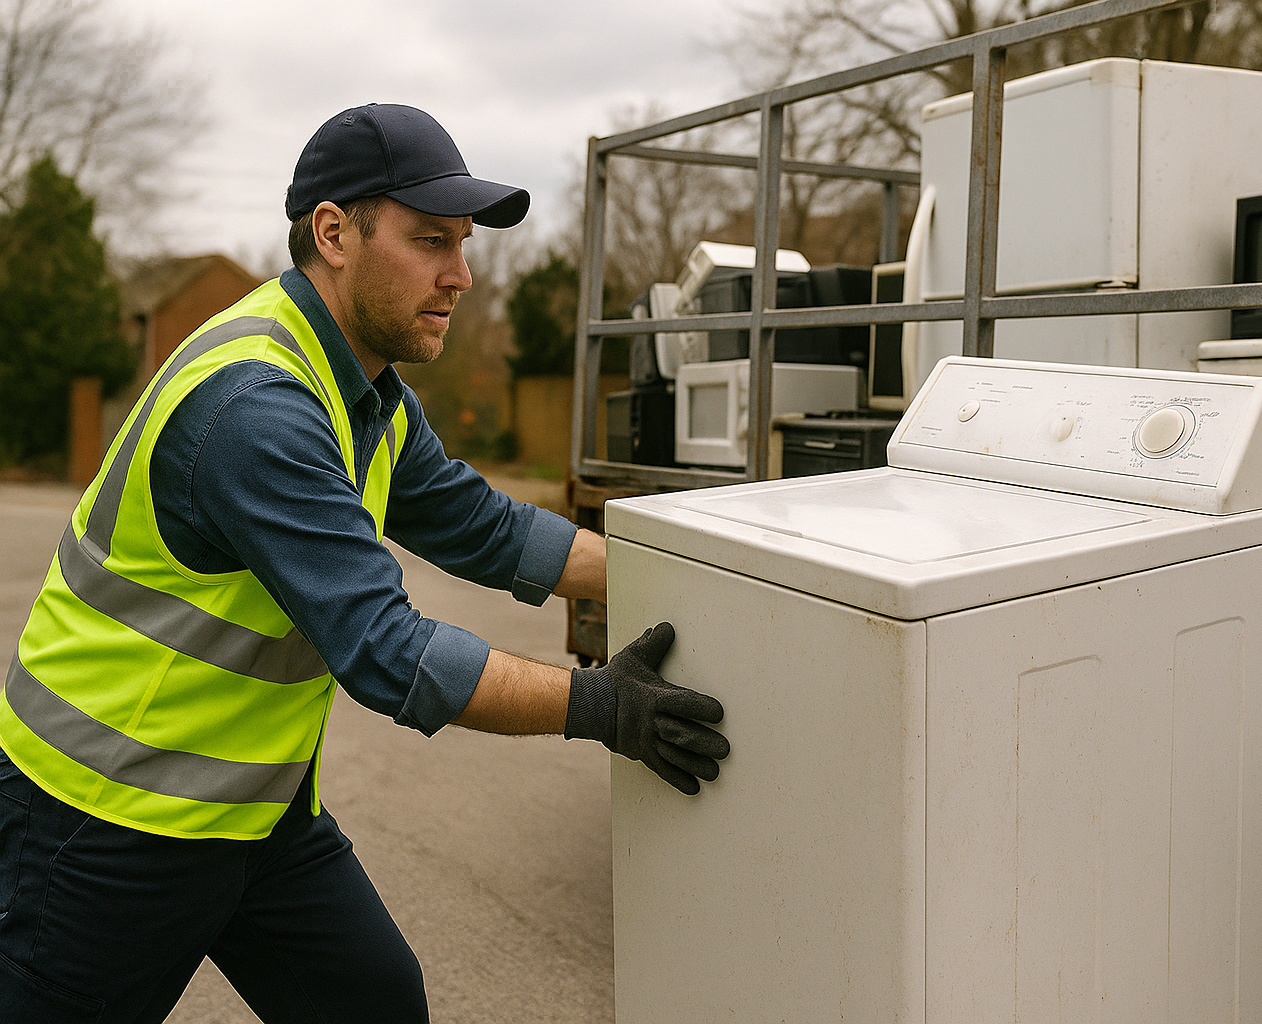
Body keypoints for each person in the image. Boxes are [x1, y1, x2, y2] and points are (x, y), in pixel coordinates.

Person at [0, 103, 729, 1023]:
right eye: (430, 242)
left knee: (376, 1003)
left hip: (254, 813)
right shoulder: (258, 406)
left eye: (463, 245)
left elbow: (483, 525)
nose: (461, 276)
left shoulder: (364, 385)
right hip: (104, 822)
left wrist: (695, 570)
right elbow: (390, 651)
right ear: (335, 234)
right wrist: (600, 706)